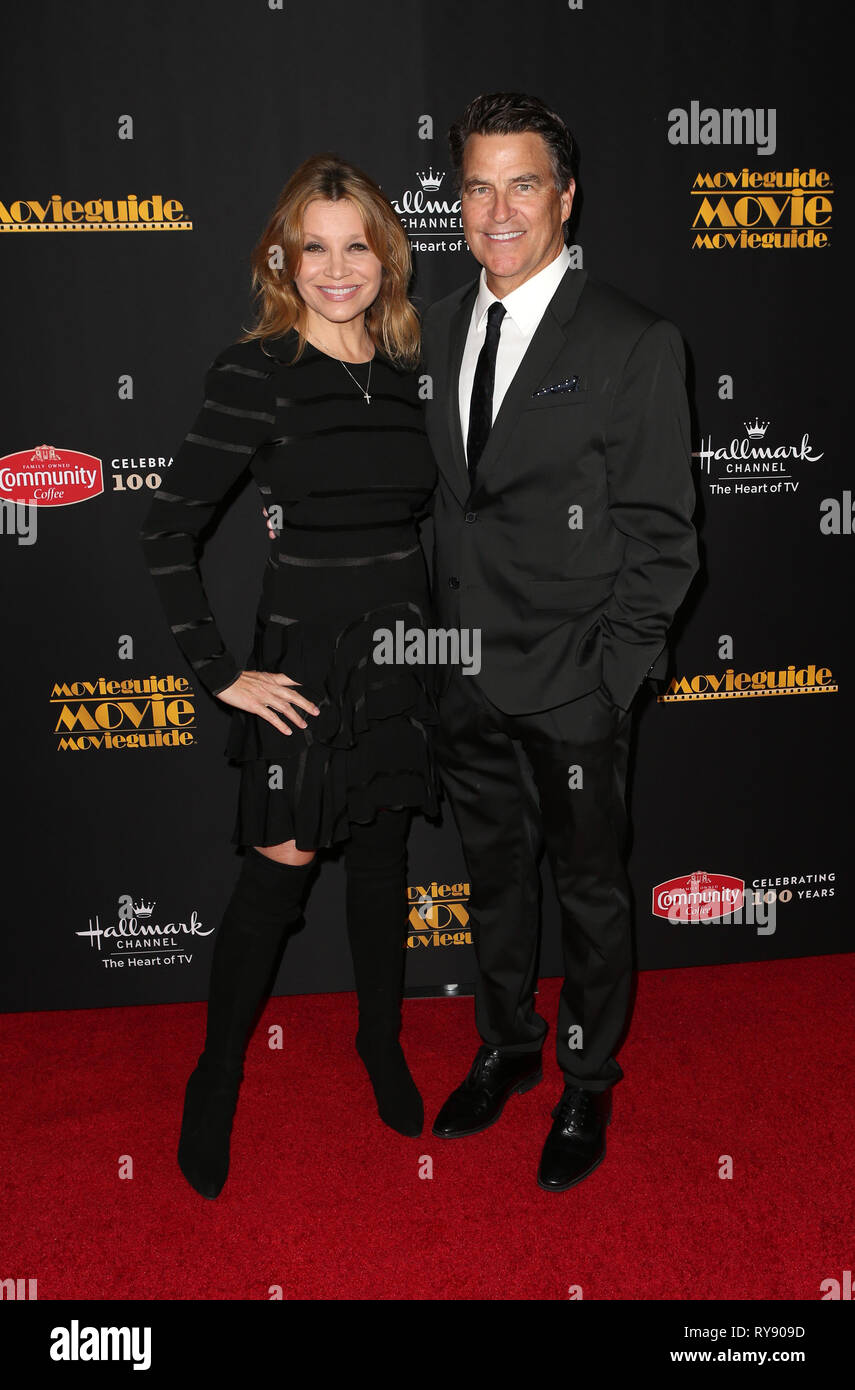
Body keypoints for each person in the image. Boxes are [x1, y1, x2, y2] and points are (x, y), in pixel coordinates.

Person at [139, 154, 440, 1200]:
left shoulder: (411, 367)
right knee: (277, 879)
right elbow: (168, 528)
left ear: (384, 253)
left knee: (382, 867)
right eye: (316, 245)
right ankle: (215, 1078)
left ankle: (379, 1044)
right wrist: (221, 673)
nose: (338, 266)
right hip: (302, 665)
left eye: (357, 242)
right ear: (284, 257)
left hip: (403, 653)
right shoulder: (255, 371)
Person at [420, 93, 699, 1190]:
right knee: (494, 885)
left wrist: (611, 684)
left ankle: (587, 1081)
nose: (499, 208)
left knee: (588, 893)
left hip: (576, 686)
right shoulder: (434, 326)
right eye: (479, 184)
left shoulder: (633, 341)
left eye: (523, 182)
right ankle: (509, 1045)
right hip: (462, 684)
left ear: (566, 196)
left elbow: (666, 539)